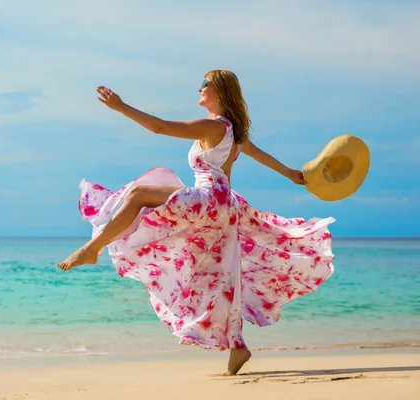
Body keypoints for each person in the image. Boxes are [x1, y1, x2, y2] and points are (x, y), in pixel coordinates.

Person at [57, 69, 335, 375]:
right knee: (221, 277)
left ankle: (93, 248)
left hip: (210, 199)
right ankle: (238, 347)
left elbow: (160, 127)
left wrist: (121, 106)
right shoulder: (233, 130)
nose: (199, 88)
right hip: (224, 205)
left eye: (205, 84)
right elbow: (257, 153)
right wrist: (291, 173)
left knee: (138, 194)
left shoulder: (213, 127)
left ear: (219, 91)